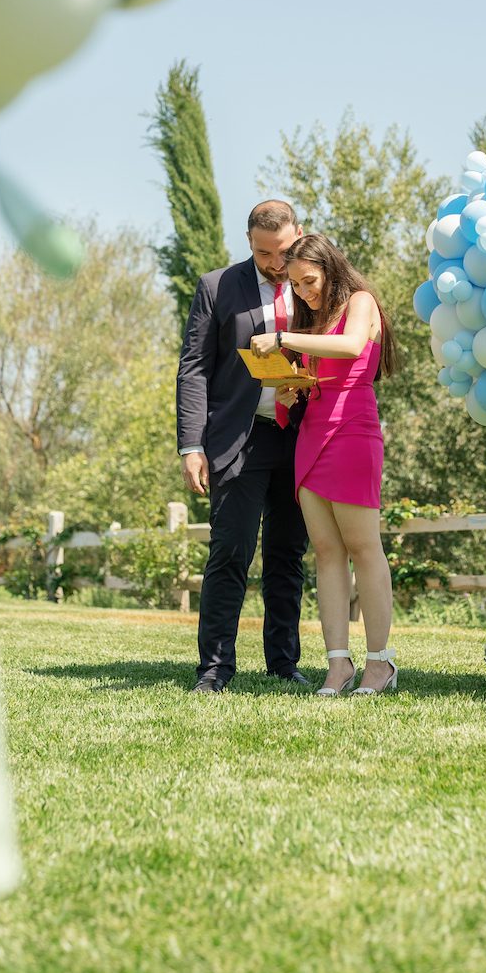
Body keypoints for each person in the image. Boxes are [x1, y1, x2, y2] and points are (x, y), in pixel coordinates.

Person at [250, 233, 398, 697]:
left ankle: (381, 664)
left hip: (353, 428)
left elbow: (353, 348)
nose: (302, 292)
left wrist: (282, 337)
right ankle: (338, 665)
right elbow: (316, 373)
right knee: (327, 552)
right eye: (294, 285)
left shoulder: (361, 302)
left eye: (307, 281)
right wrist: (291, 387)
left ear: (329, 269)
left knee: (363, 546)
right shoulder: (310, 320)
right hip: (312, 429)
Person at [177, 200, 310, 693]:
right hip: (239, 437)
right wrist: (191, 444)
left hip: (300, 437)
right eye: (262, 253)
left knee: (286, 554)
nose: (275, 263)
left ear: (300, 234)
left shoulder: (316, 285)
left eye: (282, 251)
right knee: (230, 551)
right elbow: (193, 368)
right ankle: (214, 670)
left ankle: (283, 663)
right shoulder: (217, 287)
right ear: (249, 243)